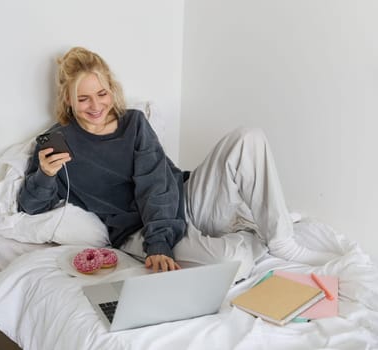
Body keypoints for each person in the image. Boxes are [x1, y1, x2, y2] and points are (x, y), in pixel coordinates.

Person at [17, 47, 336, 279]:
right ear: (68, 99)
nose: (96, 105)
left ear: (110, 89)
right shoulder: (58, 142)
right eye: (83, 98)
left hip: (184, 198)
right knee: (232, 262)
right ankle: (251, 234)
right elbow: (30, 206)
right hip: (138, 232)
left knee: (248, 137)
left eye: (101, 93)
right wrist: (45, 174)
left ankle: (281, 240)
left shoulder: (134, 124)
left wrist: (161, 241)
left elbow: (154, 183)